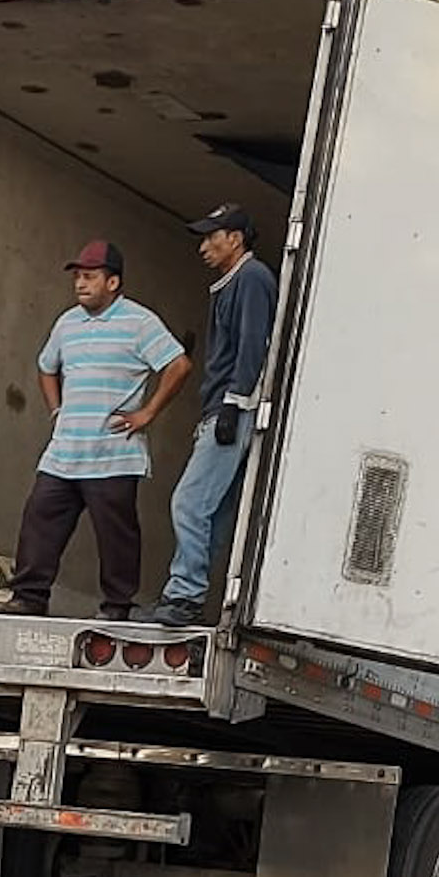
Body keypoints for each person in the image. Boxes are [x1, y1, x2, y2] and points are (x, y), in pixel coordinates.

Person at [4, 239, 190, 620]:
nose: (80, 284)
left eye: (90, 276)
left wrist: (148, 412)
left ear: (113, 282)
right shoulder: (67, 322)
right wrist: (57, 410)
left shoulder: (139, 322)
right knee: (39, 520)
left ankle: (117, 608)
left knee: (116, 536)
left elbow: (178, 365)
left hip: (114, 453)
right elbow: (46, 366)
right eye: (77, 277)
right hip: (65, 450)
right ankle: (28, 597)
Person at [154, 204, 280, 627]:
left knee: (188, 502)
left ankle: (184, 593)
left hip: (233, 409)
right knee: (215, 512)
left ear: (236, 238)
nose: (204, 246)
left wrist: (234, 402)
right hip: (226, 407)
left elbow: (254, 345)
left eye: (213, 236)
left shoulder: (251, 278)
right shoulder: (233, 282)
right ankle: (187, 602)